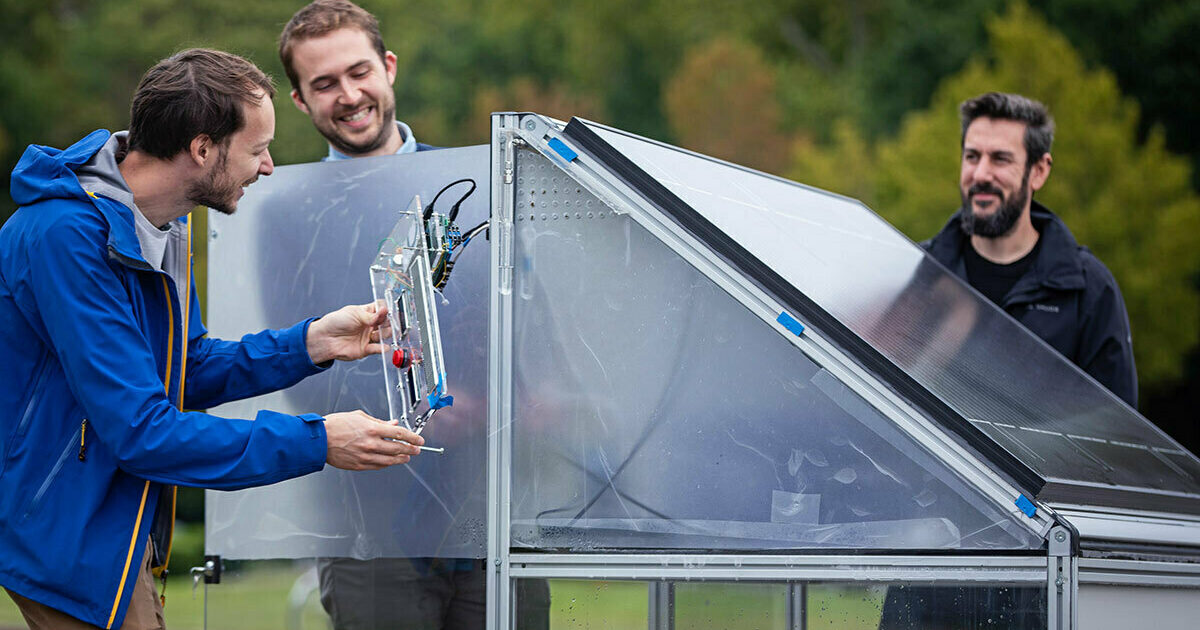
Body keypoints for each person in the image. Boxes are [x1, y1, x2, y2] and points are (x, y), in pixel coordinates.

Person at [0, 48, 425, 630]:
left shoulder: (162, 227)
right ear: (203, 149)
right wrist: (317, 440)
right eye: (257, 149)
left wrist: (311, 343)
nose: (269, 166)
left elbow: (188, 369)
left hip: (115, 532)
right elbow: (142, 431)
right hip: (64, 537)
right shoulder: (64, 237)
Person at [923, 91, 1137, 407]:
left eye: (1000, 159)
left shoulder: (1087, 290)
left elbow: (1117, 435)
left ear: (1039, 171)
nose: (981, 174)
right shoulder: (921, 269)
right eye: (972, 157)